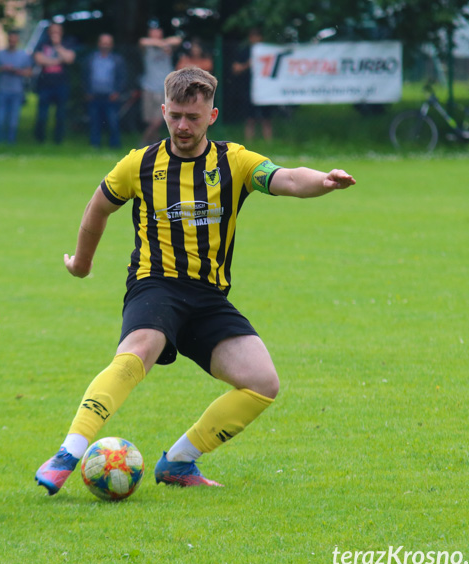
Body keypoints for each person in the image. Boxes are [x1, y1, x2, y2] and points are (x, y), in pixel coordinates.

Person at [34, 66, 355, 495]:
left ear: (213, 115)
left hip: (207, 297)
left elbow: (288, 178)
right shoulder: (140, 164)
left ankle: (180, 462)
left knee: (263, 383)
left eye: (194, 117)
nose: (183, 126)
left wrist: (325, 181)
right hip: (156, 283)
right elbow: (97, 209)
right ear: (164, 111)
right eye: (176, 116)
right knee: (139, 350)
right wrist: (82, 264)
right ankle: (69, 452)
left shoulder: (234, 161)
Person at [138, 23, 181, 146]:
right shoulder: (147, 47)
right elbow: (142, 42)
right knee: (150, 120)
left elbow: (177, 40)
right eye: (153, 31)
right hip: (148, 88)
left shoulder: (169, 46)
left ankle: (143, 144)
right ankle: (156, 146)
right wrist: (160, 44)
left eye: (158, 31)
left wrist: (164, 43)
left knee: (158, 121)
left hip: (164, 88)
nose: (156, 33)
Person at [33, 23, 76, 144]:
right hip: (45, 85)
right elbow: (39, 60)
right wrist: (58, 60)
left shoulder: (67, 43)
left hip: (61, 85)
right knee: (42, 115)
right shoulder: (42, 44)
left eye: (57, 31)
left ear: (61, 32)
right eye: (52, 31)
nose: (54, 34)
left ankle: (58, 140)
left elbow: (69, 59)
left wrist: (57, 46)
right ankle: (39, 139)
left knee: (61, 115)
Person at [82, 33, 126, 148]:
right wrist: (87, 91)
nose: (105, 45)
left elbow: (122, 77)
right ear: (98, 43)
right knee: (94, 122)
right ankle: (95, 144)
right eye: (103, 42)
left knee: (113, 122)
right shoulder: (91, 59)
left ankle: (115, 145)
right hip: (94, 96)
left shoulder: (117, 60)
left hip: (111, 96)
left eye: (108, 43)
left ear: (112, 45)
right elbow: (85, 76)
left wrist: (117, 92)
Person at [231, 27, 272, 141]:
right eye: (253, 36)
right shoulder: (244, 51)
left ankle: (269, 143)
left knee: (266, 119)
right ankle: (249, 142)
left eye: (257, 36)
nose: (255, 39)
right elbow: (236, 69)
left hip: (265, 89)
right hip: (248, 88)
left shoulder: (267, 52)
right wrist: (248, 64)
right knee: (250, 118)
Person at [0, 30, 33, 144]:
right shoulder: (0, 54)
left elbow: (29, 72)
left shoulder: (23, 55)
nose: (12, 42)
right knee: (0, 119)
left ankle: (11, 142)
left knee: (13, 120)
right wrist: (2, 68)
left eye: (14, 40)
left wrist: (17, 71)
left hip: (16, 91)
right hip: (2, 90)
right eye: (10, 39)